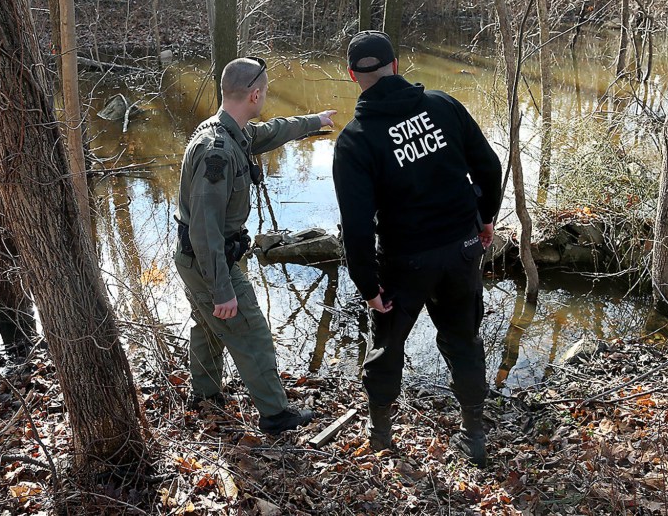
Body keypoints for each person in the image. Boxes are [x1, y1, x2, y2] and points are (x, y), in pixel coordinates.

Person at [332, 30, 502, 467]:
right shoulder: (443, 106)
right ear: (397, 62)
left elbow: (356, 225)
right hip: (462, 248)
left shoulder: (355, 139)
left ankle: (380, 434)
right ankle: (474, 434)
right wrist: (485, 220)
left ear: (353, 76)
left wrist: (367, 285)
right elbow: (489, 165)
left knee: (387, 346)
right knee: (463, 338)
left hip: (405, 261)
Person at [174, 57, 336, 434]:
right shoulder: (217, 151)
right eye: (265, 92)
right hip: (208, 259)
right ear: (256, 94)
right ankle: (276, 415)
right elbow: (204, 229)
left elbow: (272, 132)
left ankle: (205, 394)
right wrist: (222, 288)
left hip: (201, 257)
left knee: (208, 326)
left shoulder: (230, 132)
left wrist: (314, 122)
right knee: (252, 333)